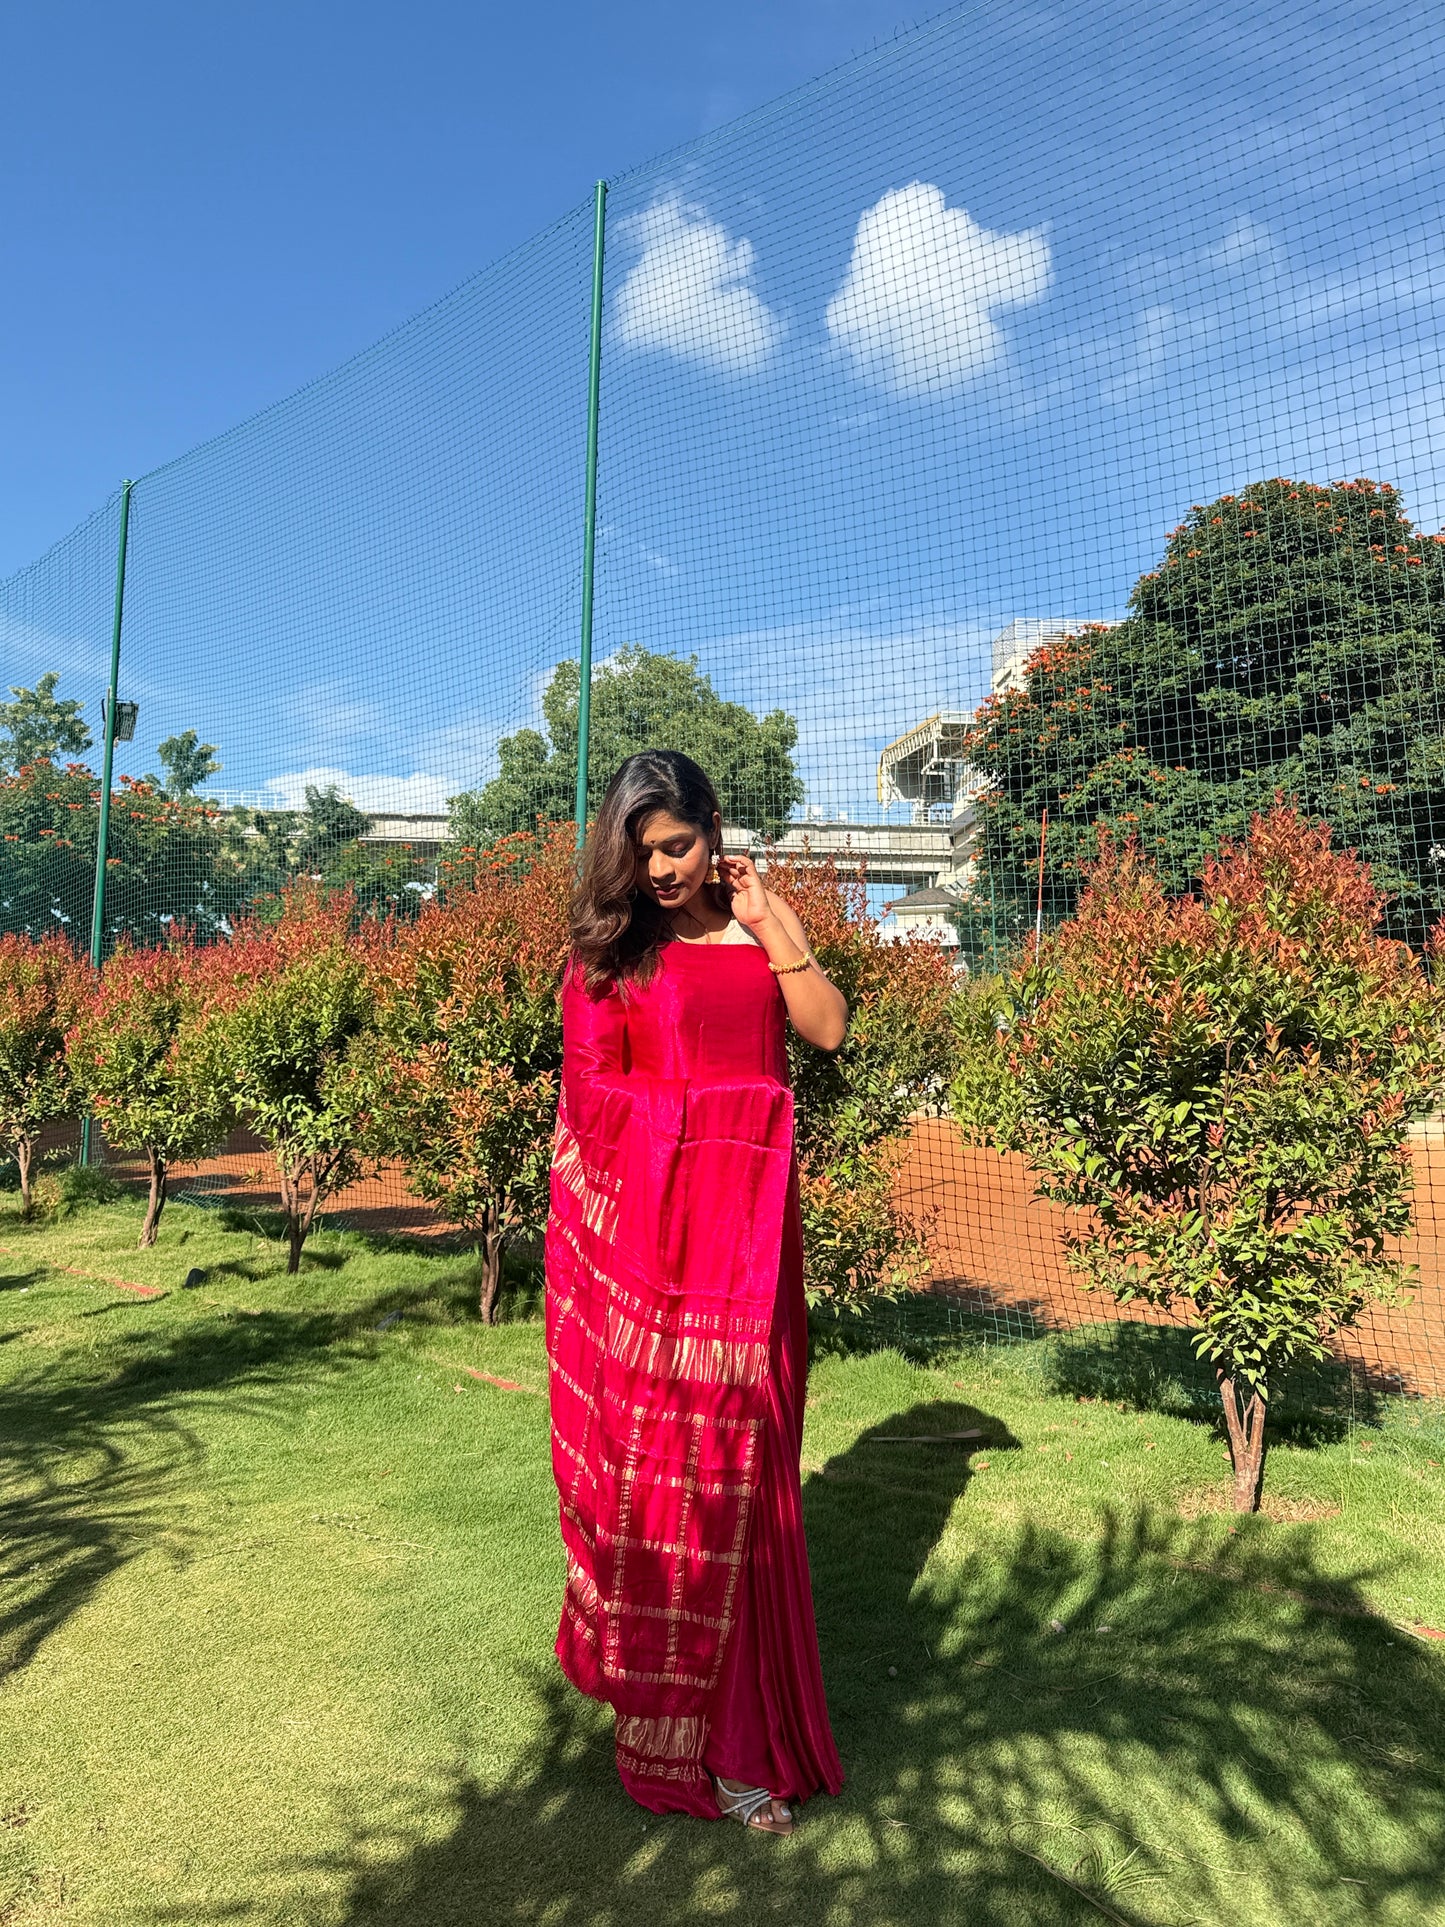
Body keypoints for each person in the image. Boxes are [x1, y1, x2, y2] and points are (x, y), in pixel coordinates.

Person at [544, 749, 848, 1835]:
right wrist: (712, 1120)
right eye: (643, 854)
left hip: (754, 1260)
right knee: (681, 1497)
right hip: (662, 1276)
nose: (665, 869)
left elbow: (825, 1031)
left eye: (677, 844)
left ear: (714, 827)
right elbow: (591, 1110)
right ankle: (701, 1749)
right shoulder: (610, 959)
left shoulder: (754, 931)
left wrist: (774, 927)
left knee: (752, 1495)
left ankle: (752, 1734)